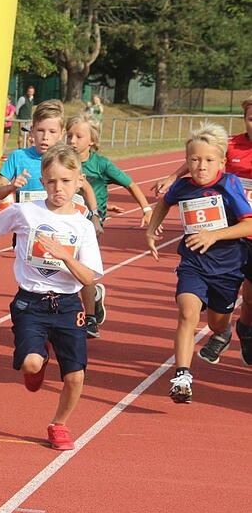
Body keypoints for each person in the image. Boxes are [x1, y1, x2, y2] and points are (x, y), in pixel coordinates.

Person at [0, 143, 104, 450]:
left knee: (76, 376)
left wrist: (65, 256)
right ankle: (38, 362)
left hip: (68, 305)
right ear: (42, 182)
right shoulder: (26, 211)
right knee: (29, 364)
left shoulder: (82, 227)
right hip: (31, 302)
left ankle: (59, 424)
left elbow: (89, 277)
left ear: (79, 181)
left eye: (66, 181)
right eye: (52, 181)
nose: (59, 188)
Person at [145, 124, 252, 403]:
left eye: (208, 160)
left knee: (217, 323)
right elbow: (164, 203)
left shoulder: (228, 185)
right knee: (187, 312)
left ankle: (224, 331)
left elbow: (248, 225)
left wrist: (213, 234)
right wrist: (151, 230)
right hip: (193, 263)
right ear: (186, 160)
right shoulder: (182, 185)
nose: (200, 166)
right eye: (194, 160)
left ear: (221, 162)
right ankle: (182, 375)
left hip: (228, 268)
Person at [66, 113, 153, 337]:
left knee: (82, 266)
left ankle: (91, 318)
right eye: (69, 135)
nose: (72, 141)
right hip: (65, 220)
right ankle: (93, 296)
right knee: (68, 269)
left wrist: (146, 209)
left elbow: (131, 184)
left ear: (92, 141)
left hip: (91, 224)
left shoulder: (101, 165)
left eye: (78, 136)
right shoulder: (64, 160)